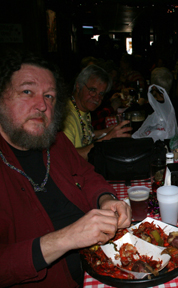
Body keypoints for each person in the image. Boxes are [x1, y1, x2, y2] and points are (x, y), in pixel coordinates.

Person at [0, 51, 132, 287]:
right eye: (27, 92)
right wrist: (66, 238)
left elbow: (86, 174)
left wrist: (106, 199)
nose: (41, 105)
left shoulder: (56, 141)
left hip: (97, 268)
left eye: (49, 96)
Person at [62, 64, 131, 160]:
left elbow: (83, 135)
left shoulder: (82, 109)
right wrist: (106, 139)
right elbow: (67, 158)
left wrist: (105, 132)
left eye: (101, 94)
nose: (97, 98)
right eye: (92, 90)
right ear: (78, 86)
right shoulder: (65, 117)